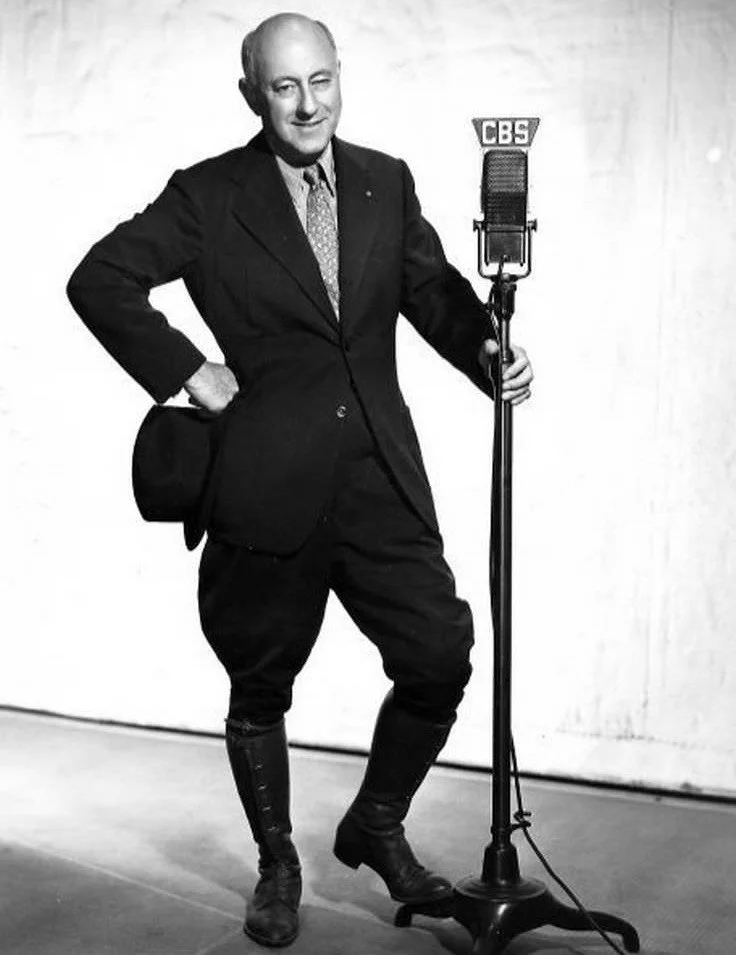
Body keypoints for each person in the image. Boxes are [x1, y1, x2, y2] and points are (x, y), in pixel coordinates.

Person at [67, 12, 533, 948]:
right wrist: (187, 370)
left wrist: (488, 351)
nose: (307, 104)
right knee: (259, 684)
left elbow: (433, 288)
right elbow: (100, 277)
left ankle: (375, 822)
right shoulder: (207, 195)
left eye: (320, 80)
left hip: (376, 475)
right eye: (284, 87)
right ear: (253, 93)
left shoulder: (382, 179)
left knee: (439, 653)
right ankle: (279, 862)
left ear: (339, 78)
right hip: (265, 483)